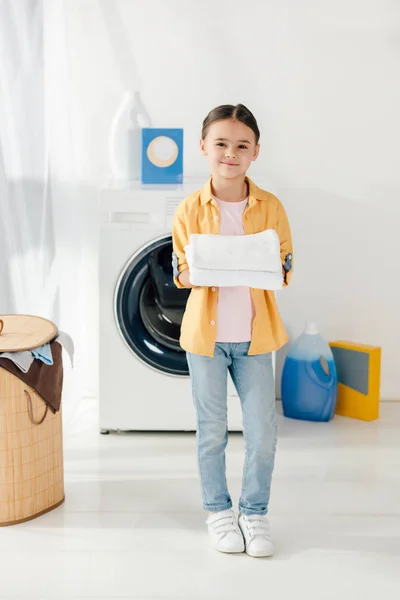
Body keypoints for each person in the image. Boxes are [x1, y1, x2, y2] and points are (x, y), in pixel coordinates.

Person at [172, 104, 293, 557]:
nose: (230, 152)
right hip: (205, 340)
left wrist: (221, 261)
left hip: (256, 338)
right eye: (221, 143)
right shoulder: (189, 209)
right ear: (204, 147)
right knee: (212, 431)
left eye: (242, 145)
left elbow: (282, 269)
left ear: (255, 152)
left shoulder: (270, 207)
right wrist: (221, 264)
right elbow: (183, 271)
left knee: (262, 431)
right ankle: (219, 512)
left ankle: (254, 513)